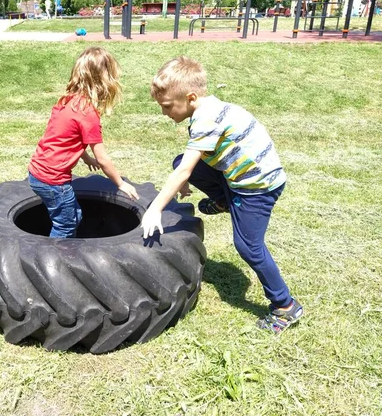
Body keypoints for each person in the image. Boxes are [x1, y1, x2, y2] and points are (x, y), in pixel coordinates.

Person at [140, 56, 303, 334]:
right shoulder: (211, 107)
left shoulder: (207, 119)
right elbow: (189, 164)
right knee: (181, 162)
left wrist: (154, 209)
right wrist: (185, 174)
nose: (164, 112)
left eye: (167, 106)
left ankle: (285, 306)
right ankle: (225, 200)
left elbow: (186, 171)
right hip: (238, 177)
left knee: (248, 247)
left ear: (190, 97)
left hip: (257, 188)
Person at [28, 47, 139, 238]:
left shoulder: (66, 102)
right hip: (54, 181)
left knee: (74, 217)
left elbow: (64, 139)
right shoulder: (88, 114)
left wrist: (85, 157)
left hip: (37, 173)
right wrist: (120, 184)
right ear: (105, 81)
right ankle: (54, 262)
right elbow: (103, 159)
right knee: (65, 225)